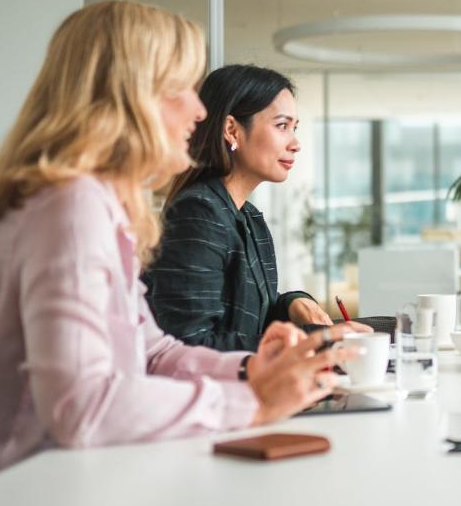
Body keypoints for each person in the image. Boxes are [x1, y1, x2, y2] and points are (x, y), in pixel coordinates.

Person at [0, 1, 360, 502]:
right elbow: (81, 408)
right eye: (181, 91)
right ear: (127, 100)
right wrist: (250, 403)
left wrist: (249, 370)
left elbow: (154, 349)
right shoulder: (69, 206)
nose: (198, 112)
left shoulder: (91, 202)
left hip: (25, 490)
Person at [143, 65, 333, 351]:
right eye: (282, 126)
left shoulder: (248, 218)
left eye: (294, 128)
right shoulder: (198, 213)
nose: (296, 144)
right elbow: (189, 343)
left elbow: (251, 318)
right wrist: (309, 344)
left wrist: (293, 301)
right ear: (232, 130)